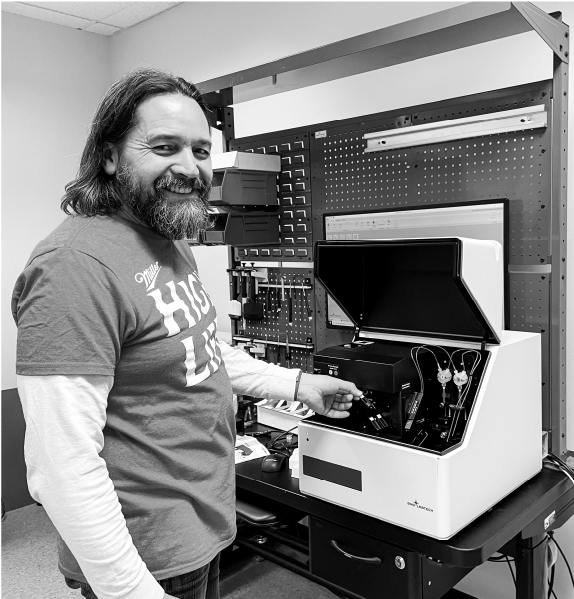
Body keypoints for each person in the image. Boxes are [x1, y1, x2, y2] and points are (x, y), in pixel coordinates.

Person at [11, 67, 362, 599]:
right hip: (144, 557)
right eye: (164, 146)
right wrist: (131, 591)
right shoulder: (72, 268)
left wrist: (295, 384)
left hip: (198, 526)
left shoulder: (167, 236)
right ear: (108, 156)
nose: (189, 167)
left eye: (200, 151)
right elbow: (61, 466)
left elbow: (196, 347)